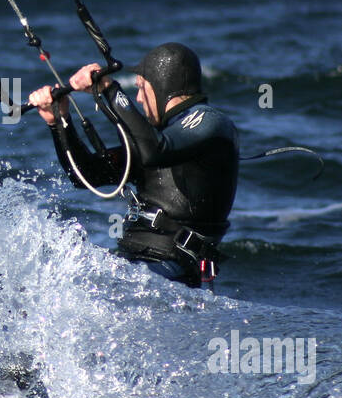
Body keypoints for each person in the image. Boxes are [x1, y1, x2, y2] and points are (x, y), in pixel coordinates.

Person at [29, 42, 238, 288]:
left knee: (88, 288)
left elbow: (154, 152)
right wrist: (59, 122)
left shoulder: (209, 122)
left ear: (162, 86)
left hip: (172, 264)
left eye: (141, 88)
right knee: (41, 280)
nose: (138, 98)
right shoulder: (155, 136)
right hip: (134, 259)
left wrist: (109, 89)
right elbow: (87, 175)